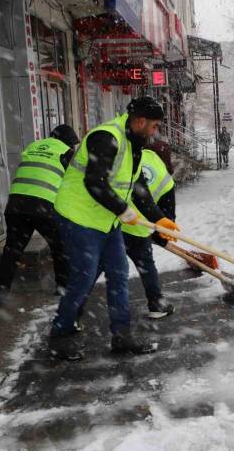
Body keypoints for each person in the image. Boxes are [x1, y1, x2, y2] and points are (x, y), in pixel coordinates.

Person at [48, 97, 180, 361]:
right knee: (84, 278)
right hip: (78, 217)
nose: (155, 132)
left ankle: (122, 336)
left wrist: (159, 220)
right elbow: (95, 182)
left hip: (106, 221)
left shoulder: (134, 146)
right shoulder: (107, 138)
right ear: (140, 121)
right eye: (153, 126)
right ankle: (59, 335)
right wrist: (122, 209)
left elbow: (138, 188)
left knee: (119, 275)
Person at [76, 146, 176, 326]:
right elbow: (168, 209)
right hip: (138, 229)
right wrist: (161, 235)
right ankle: (157, 304)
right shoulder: (163, 174)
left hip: (113, 222)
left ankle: (75, 310)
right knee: (146, 266)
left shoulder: (126, 157)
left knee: (96, 266)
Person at [0, 125, 79, 307]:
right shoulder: (65, 152)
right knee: (60, 247)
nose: (74, 148)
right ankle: (63, 287)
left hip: (16, 204)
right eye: (73, 144)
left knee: (12, 249)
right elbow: (73, 185)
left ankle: (0, 292)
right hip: (43, 205)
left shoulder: (33, 146)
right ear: (68, 142)